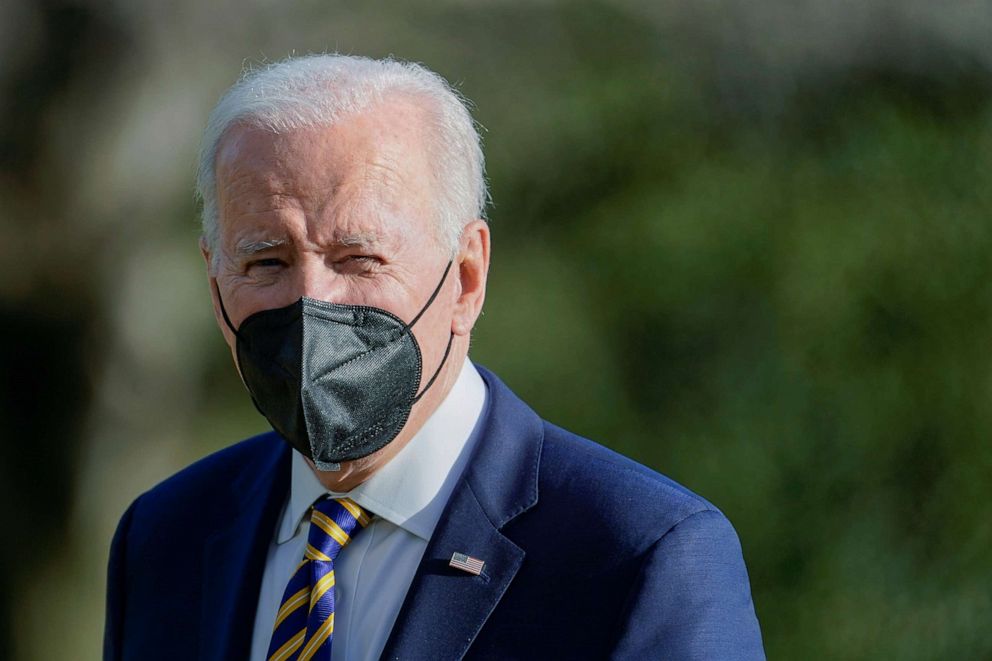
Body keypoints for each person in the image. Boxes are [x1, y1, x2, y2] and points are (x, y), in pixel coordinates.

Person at [104, 54, 765, 660]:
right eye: (266, 260)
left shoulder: (641, 557)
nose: (312, 301)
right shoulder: (165, 540)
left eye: (358, 257)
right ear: (214, 278)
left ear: (467, 277)